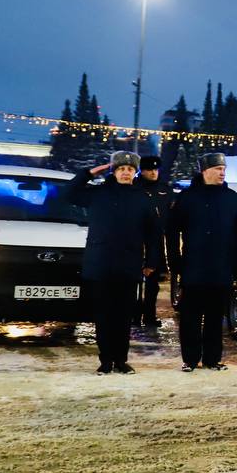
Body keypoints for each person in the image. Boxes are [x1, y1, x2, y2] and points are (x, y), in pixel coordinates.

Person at [65, 152, 162, 374]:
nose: (126, 172)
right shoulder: (98, 194)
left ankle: (121, 360)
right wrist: (88, 173)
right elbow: (68, 194)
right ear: (114, 171)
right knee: (103, 316)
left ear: (135, 173)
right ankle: (105, 361)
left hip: (129, 266)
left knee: (123, 316)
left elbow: (153, 234)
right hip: (101, 265)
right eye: (121, 168)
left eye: (130, 169)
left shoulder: (142, 198)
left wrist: (152, 262)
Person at [167, 152, 237, 371]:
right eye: (217, 169)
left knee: (215, 317)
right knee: (190, 317)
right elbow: (172, 232)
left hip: (221, 268)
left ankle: (212, 359)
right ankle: (190, 359)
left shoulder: (231, 199)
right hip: (193, 268)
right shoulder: (187, 198)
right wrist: (175, 262)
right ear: (205, 171)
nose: (222, 173)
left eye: (223, 169)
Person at [134, 155, 173, 328]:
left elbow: (171, 212)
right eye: (150, 169)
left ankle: (149, 316)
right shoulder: (134, 188)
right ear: (142, 170)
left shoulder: (164, 189)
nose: (153, 172)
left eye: (156, 169)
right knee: (134, 283)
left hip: (156, 240)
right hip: (136, 239)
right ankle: (134, 315)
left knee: (153, 284)